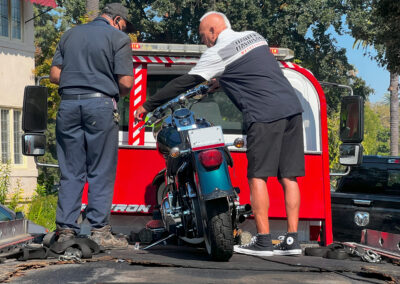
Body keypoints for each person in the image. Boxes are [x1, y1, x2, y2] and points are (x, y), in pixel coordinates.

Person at [135, 11, 305, 256]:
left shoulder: (217, 52)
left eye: (203, 35)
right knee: (289, 177)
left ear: (213, 30)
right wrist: (223, 80)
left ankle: (264, 241)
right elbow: (252, 71)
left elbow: (187, 81)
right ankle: (291, 241)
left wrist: (147, 105)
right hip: (292, 109)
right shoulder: (255, 37)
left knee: (258, 177)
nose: (203, 40)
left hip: (263, 114)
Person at [49, 3, 134, 249]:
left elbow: (55, 75)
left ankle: (65, 230)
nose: (124, 30)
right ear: (117, 20)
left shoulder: (70, 34)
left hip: (68, 107)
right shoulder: (118, 38)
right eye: (125, 25)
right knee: (100, 169)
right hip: (100, 106)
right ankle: (98, 230)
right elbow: (126, 83)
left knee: (71, 170)